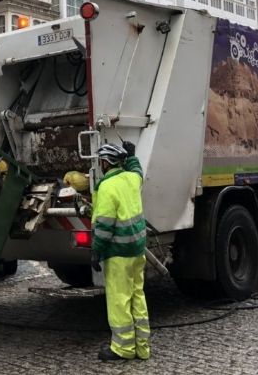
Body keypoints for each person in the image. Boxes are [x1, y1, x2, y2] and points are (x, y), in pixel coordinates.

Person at [91, 142, 149, 361]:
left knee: (119, 299)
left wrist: (96, 251)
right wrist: (132, 156)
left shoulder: (107, 187)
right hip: (137, 250)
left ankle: (123, 349)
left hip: (118, 253)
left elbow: (105, 225)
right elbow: (138, 171)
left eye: (100, 162)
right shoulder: (131, 180)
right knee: (137, 295)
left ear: (105, 163)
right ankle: (142, 347)